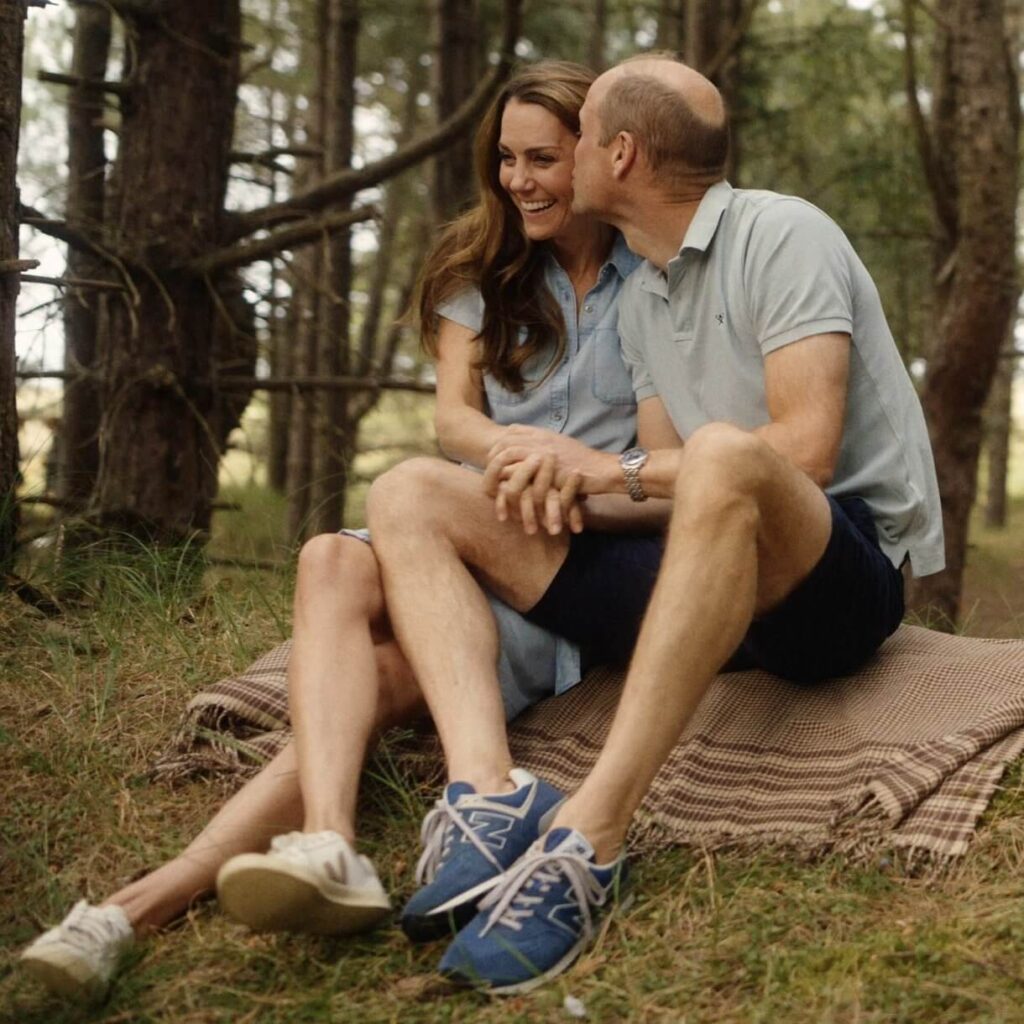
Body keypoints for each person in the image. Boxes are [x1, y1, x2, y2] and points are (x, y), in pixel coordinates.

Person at [18, 60, 653, 1003]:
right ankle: (330, 842)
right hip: (451, 529)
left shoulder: (658, 279)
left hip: (552, 563)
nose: (520, 180)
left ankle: (140, 904)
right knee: (325, 556)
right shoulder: (481, 272)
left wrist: (571, 478)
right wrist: (525, 452)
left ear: (600, 158)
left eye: (544, 159)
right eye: (507, 159)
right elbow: (453, 422)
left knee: (370, 693)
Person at [364, 54, 944, 993]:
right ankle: (489, 794)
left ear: (620, 154)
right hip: (699, 576)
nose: (552, 161)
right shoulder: (647, 294)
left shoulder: (783, 234)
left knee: (723, 452)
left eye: (579, 137)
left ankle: (589, 840)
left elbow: (803, 448)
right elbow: (657, 487)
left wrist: (612, 468)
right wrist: (557, 484)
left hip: (829, 578)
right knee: (412, 491)